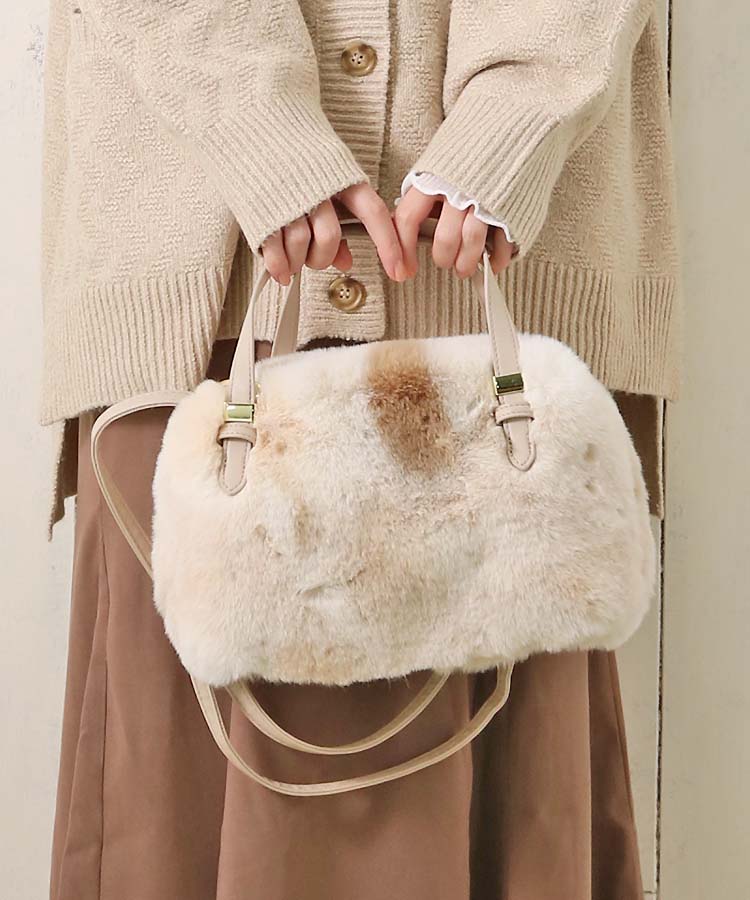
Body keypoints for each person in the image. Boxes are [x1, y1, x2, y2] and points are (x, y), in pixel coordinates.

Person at [42, 1, 680, 898]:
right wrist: (254, 122)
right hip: (205, 252)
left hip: (497, 274)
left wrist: (516, 114)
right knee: (175, 800)